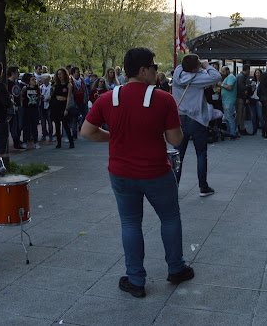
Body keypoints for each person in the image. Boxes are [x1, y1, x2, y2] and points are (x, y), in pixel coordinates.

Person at [81, 47, 193, 298]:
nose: (156, 71)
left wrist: (113, 136)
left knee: (130, 223)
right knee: (170, 219)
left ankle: (135, 280)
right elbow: (175, 140)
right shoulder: (164, 99)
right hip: (156, 173)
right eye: (153, 67)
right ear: (143, 70)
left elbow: (86, 132)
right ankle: (176, 269)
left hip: (121, 173)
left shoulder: (107, 98)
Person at [172, 53, 222, 197]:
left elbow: (185, 67)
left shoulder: (177, 73)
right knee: (201, 154)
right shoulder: (199, 78)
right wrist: (206, 66)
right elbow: (216, 76)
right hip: (196, 120)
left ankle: (174, 185)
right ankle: (203, 186)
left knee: (178, 155)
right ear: (195, 69)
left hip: (180, 119)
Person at [51, 68, 74, 149]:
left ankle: (71, 141)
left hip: (63, 104)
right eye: (58, 74)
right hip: (56, 104)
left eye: (61, 74)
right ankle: (59, 142)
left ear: (65, 74)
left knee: (65, 124)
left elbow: (68, 97)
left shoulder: (69, 85)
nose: (59, 76)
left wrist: (66, 108)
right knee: (57, 125)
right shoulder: (56, 84)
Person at [21, 75, 41, 149]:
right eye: (33, 80)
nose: (35, 81)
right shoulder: (25, 88)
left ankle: (36, 142)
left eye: (35, 79)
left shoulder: (37, 89)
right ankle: (25, 142)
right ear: (29, 82)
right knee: (26, 126)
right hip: (27, 109)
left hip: (35, 109)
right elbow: (21, 96)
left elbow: (39, 97)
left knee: (34, 126)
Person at [7, 66, 24, 150]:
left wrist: (20, 104)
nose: (19, 74)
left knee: (19, 125)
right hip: (12, 108)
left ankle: (18, 139)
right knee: (14, 126)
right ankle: (15, 142)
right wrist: (13, 106)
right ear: (13, 73)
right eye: (17, 72)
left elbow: (19, 93)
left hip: (19, 106)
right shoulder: (7, 83)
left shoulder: (17, 82)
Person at [220, 66, 238, 138]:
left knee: (229, 117)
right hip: (226, 100)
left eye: (223, 71)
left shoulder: (231, 77)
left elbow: (230, 87)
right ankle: (229, 131)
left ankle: (233, 133)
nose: (222, 73)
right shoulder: (227, 78)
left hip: (229, 100)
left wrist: (221, 84)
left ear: (228, 71)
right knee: (227, 117)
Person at [69, 67, 87, 139]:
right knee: (74, 119)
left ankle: (86, 131)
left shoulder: (82, 80)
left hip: (83, 102)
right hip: (75, 103)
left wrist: (86, 99)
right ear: (73, 73)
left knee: (86, 117)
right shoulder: (71, 81)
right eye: (77, 72)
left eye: (79, 71)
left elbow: (85, 90)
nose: (79, 73)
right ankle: (74, 133)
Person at [235, 65, 252, 136]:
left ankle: (240, 128)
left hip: (240, 97)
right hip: (240, 98)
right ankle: (237, 128)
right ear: (247, 70)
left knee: (240, 114)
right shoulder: (241, 77)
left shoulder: (241, 76)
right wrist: (249, 86)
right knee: (240, 114)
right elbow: (241, 87)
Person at [249, 69, 264, 135]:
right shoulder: (252, 81)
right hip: (252, 99)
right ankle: (254, 129)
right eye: (256, 73)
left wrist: (261, 100)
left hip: (258, 100)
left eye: (258, 73)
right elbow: (249, 90)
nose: (257, 74)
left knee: (260, 115)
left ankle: (264, 129)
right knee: (253, 115)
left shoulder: (263, 82)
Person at [39, 75, 53, 142]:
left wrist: (49, 99)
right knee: (43, 122)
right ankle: (44, 135)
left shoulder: (52, 87)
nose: (42, 80)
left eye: (43, 79)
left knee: (50, 122)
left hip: (49, 107)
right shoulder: (41, 87)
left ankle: (51, 136)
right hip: (42, 107)